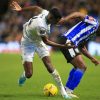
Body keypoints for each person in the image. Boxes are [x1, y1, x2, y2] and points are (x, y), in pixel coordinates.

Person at [11, 1, 72, 99]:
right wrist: (63, 46)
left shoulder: (46, 13)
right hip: (27, 43)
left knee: (49, 66)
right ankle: (24, 75)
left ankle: (63, 91)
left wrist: (21, 9)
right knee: (29, 74)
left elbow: (36, 8)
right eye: (56, 22)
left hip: (38, 42)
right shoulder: (41, 25)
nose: (57, 24)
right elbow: (47, 42)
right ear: (51, 18)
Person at [57, 12, 100, 98]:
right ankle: (68, 91)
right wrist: (65, 20)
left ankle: (66, 90)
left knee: (79, 67)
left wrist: (92, 59)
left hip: (72, 44)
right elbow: (78, 14)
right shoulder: (94, 22)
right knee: (82, 67)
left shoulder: (92, 34)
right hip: (68, 41)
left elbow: (82, 47)